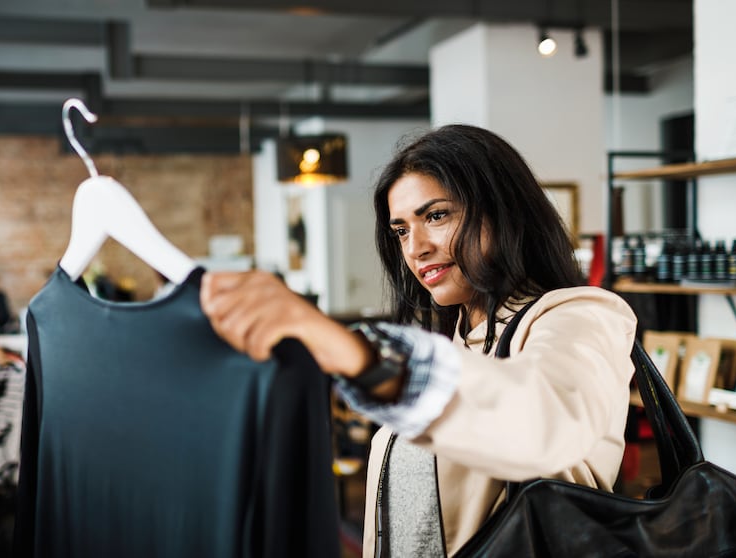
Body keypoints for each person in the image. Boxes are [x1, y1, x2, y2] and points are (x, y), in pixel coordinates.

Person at [200, 124, 637, 557]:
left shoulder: (581, 316)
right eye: (401, 230)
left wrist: (363, 355)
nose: (416, 248)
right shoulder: (455, 344)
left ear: (503, 211)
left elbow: (545, 420)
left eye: (436, 215)